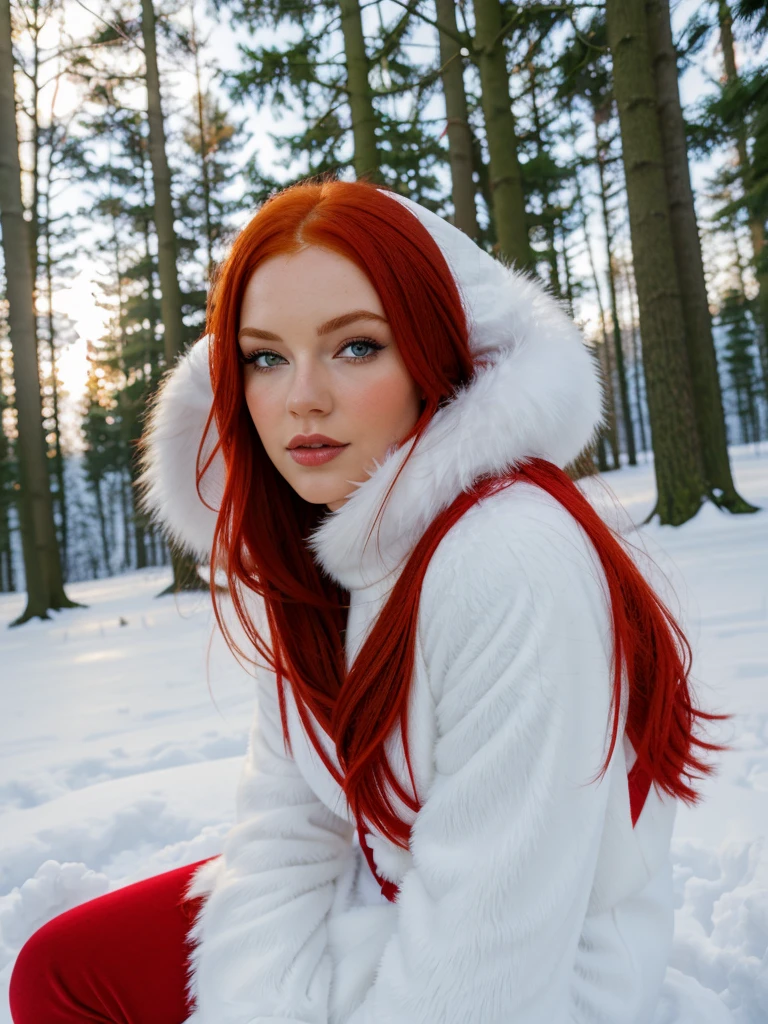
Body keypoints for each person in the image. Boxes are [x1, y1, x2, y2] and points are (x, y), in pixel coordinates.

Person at [9, 178, 726, 1024]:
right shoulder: (321, 548)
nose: (302, 396)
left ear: (437, 353)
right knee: (58, 969)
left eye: (355, 347)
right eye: (264, 357)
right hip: (378, 900)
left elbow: (488, 967)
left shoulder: (509, 560)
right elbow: (286, 829)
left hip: (542, 975)